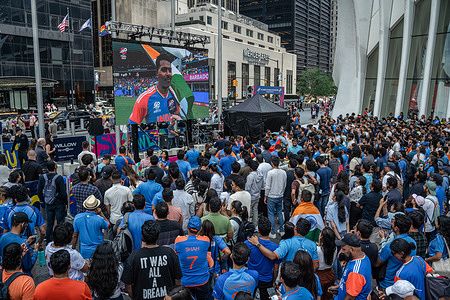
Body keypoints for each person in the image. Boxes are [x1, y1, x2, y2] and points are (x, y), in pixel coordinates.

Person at [122, 220, 183, 300]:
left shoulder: (134, 256)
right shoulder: (169, 253)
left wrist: (134, 297)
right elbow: (177, 279)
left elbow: (128, 284)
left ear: (143, 236)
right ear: (158, 236)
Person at [248, 218, 319, 269]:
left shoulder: (286, 242)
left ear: (295, 228)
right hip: (305, 279)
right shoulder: (312, 245)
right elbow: (316, 265)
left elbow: (273, 256)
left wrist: (257, 243)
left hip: (289, 277)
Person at [174, 216, 213, 299]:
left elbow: (177, 252)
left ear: (187, 227)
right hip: (202, 280)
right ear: (200, 229)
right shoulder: (206, 240)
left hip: (186, 281)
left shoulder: (178, 240)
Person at [375, 214, 417, 289]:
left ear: (397, 228)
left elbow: (377, 263)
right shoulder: (413, 242)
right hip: (405, 283)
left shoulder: (390, 247)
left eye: (393, 223)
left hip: (389, 283)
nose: (391, 224)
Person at [245, 216, 281, 300]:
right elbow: (276, 268)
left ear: (258, 231)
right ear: (271, 229)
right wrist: (274, 281)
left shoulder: (249, 243)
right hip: (267, 279)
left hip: (251, 277)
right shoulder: (276, 248)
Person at [329, 233, 371, 300]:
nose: (342, 252)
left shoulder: (356, 273)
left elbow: (350, 298)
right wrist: (338, 287)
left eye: (344, 249)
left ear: (352, 249)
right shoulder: (363, 257)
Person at [37, 160, 67, 241]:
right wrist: (66, 203)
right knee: (60, 222)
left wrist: (44, 200)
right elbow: (63, 193)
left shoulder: (42, 177)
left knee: (49, 223)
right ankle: (60, 239)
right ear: (55, 167)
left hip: (48, 202)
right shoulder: (59, 178)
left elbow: (39, 191)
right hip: (58, 203)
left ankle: (48, 240)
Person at [265, 156, 287, 238]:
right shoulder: (283, 172)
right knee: (279, 213)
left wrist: (265, 196)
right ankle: (281, 230)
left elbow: (267, 186)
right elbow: (284, 184)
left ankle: (273, 232)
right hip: (280, 195)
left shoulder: (270, 173)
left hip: (271, 196)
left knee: (271, 214)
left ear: (272, 163)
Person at [316, 228, 336, 300]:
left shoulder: (317, 250)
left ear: (321, 237)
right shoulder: (334, 248)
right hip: (330, 273)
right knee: (327, 296)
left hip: (319, 275)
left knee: (319, 296)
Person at [245, 160, 262, 225]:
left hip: (251, 196)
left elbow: (248, 188)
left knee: (249, 211)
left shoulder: (250, 176)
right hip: (257, 195)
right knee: (255, 211)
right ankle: (255, 225)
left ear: (251, 168)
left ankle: (249, 225)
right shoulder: (260, 175)